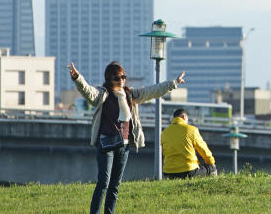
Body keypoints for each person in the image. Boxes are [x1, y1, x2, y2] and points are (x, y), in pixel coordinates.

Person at [69, 61, 185, 214]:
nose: (121, 80)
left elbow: (153, 91)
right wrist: (77, 77)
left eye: (123, 77)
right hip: (106, 144)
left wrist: (173, 83)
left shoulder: (131, 94)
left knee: (115, 185)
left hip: (124, 146)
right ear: (109, 79)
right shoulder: (103, 94)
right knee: (104, 183)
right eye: (117, 78)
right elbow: (87, 91)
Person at [161, 108, 218, 179]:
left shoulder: (164, 132)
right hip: (188, 172)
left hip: (168, 173)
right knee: (211, 168)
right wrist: (211, 163)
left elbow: (165, 152)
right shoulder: (191, 130)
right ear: (184, 117)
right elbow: (203, 150)